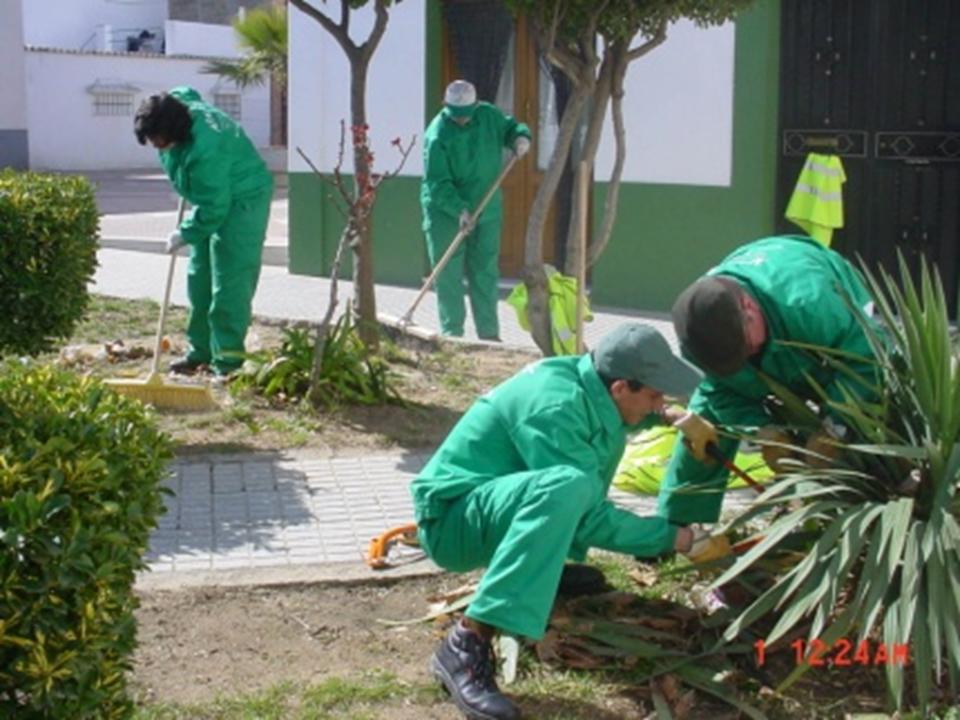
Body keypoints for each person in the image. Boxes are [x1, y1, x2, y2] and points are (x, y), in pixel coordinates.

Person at [410, 323, 728, 720]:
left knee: (568, 487)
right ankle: (466, 644)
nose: (658, 400)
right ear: (620, 388)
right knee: (567, 489)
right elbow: (589, 519)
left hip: (486, 507)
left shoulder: (587, 380)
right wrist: (679, 539)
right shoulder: (554, 408)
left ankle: (539, 574)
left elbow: (614, 418)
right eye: (653, 394)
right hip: (453, 526)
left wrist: (670, 419)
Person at [659, 234, 879, 525]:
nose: (744, 360)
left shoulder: (812, 305)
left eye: (744, 349)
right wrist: (763, 430)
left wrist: (835, 426)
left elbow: (867, 361)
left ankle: (863, 511)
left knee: (863, 407)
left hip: (819, 325)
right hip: (777, 320)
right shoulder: (698, 332)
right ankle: (673, 527)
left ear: (749, 308)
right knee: (704, 426)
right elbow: (719, 391)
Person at [133, 87, 273, 377]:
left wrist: (185, 232)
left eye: (159, 140)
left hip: (242, 199)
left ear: (176, 130)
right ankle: (200, 352)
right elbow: (187, 92)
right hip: (213, 195)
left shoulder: (207, 149)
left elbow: (215, 208)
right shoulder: (175, 108)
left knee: (229, 282)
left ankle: (228, 362)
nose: (156, 146)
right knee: (200, 277)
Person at [420, 80, 532, 340]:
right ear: (445, 106)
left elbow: (511, 127)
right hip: (445, 212)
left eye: (466, 115)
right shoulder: (437, 135)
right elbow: (437, 182)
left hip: (487, 206)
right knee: (448, 274)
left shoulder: (488, 115)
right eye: (456, 116)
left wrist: (520, 137)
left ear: (475, 106)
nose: (461, 120)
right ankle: (453, 334)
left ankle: (489, 335)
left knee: (485, 270)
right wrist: (459, 210)